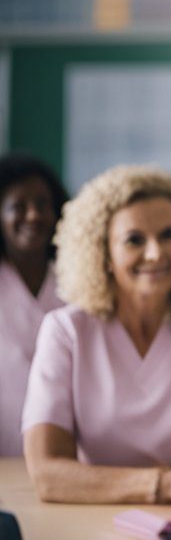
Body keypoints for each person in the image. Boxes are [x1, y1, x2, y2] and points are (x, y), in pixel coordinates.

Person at [23, 165, 171, 506]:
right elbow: (48, 474)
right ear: (103, 252)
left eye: (168, 235)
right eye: (134, 240)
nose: (155, 253)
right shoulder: (66, 332)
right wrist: (163, 484)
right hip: (88, 518)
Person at [0, 154, 68, 457]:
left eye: (43, 205)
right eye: (18, 206)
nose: (33, 216)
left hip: (64, 452)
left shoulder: (75, 282)